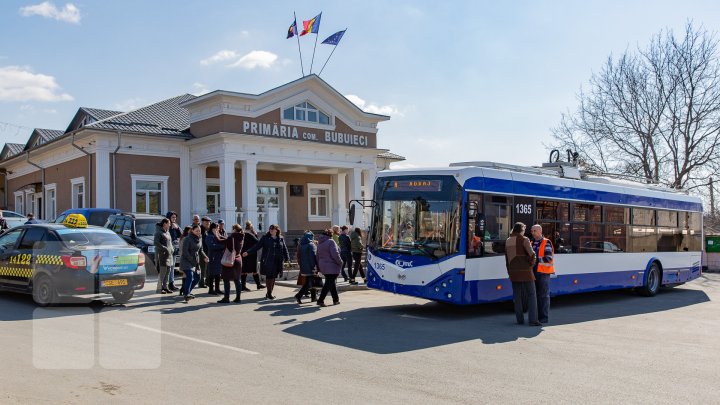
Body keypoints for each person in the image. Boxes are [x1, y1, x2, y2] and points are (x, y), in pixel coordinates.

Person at [505, 222, 540, 326]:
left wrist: (510, 272)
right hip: (526, 272)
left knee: (517, 296)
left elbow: (506, 260)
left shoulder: (508, 240)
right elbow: (532, 254)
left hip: (513, 272)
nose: (525, 231)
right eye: (524, 229)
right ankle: (533, 320)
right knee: (532, 295)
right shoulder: (524, 239)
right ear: (521, 230)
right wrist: (531, 265)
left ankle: (519, 320)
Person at [242, 224, 289, 300]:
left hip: (277, 261)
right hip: (268, 260)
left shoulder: (280, 238)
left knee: (273, 276)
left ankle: (269, 292)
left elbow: (284, 249)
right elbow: (257, 246)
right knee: (269, 276)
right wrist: (248, 252)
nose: (271, 230)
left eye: (272, 229)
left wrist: (287, 258)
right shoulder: (265, 238)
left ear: (276, 230)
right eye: (270, 229)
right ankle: (269, 293)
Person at [531, 224, 555, 324]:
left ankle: (544, 318)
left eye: (534, 231)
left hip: (543, 273)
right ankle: (536, 317)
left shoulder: (546, 242)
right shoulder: (531, 242)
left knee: (543, 296)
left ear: (540, 231)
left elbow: (548, 258)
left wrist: (535, 260)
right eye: (532, 231)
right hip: (534, 272)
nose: (532, 232)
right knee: (535, 295)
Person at [179, 224, 208, 303]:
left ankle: (187, 291)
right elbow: (185, 252)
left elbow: (201, 250)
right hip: (186, 260)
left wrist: (205, 256)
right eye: (197, 231)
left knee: (197, 277)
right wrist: (191, 260)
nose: (198, 232)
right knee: (190, 275)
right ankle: (187, 294)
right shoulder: (187, 239)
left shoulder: (200, 238)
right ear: (192, 231)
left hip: (195, 261)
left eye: (199, 231)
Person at [316, 229, 343, 307]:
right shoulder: (331, 242)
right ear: (330, 235)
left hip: (323, 265)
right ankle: (320, 300)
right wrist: (340, 262)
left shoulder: (320, 243)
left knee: (331, 282)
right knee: (328, 283)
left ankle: (336, 300)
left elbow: (317, 256)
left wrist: (319, 266)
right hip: (332, 265)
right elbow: (335, 254)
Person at [218, 224, 244, 304]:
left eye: (232, 228)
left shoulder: (231, 238)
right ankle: (238, 298)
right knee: (237, 280)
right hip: (238, 259)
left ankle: (226, 298)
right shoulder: (241, 237)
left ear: (234, 229)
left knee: (226, 279)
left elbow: (220, 241)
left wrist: (216, 234)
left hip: (230, 260)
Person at [294, 231, 318, 304]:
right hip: (311, 266)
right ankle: (299, 295)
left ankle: (313, 297)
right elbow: (314, 257)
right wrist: (316, 267)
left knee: (311, 281)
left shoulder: (301, 245)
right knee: (308, 283)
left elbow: (299, 256)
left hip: (304, 267)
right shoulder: (311, 245)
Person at [241, 220, 265, 291]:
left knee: (245, 270)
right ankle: (257, 285)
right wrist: (256, 234)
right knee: (253, 270)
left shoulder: (243, 233)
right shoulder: (250, 234)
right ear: (251, 227)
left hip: (245, 253)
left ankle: (245, 285)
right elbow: (258, 242)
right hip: (251, 254)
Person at [153, 218, 174, 294]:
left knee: (168, 272)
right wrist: (164, 248)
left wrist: (172, 249)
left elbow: (170, 242)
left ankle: (165, 287)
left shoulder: (167, 232)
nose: (170, 225)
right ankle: (159, 288)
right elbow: (156, 243)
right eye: (169, 223)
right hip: (162, 255)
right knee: (163, 272)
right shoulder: (158, 233)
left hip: (169, 255)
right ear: (164, 224)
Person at [205, 222, 226, 295]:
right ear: (213, 229)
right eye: (217, 228)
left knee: (218, 274)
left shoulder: (217, 235)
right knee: (212, 274)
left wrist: (219, 235)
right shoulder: (209, 236)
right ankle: (211, 290)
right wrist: (222, 247)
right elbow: (211, 246)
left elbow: (225, 240)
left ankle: (217, 289)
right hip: (212, 257)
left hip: (219, 256)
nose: (218, 230)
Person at [166, 211, 182, 291]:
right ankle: (167, 284)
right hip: (168, 250)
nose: (174, 219)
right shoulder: (166, 226)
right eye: (173, 217)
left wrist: (177, 228)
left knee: (172, 267)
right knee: (168, 268)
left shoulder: (176, 225)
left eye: (175, 217)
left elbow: (181, 235)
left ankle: (172, 283)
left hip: (175, 249)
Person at [198, 216, 211, 288]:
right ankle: (201, 283)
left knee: (207, 268)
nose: (208, 223)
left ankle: (207, 281)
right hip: (201, 252)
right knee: (203, 268)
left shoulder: (206, 230)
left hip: (206, 251)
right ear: (203, 222)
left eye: (209, 222)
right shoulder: (200, 230)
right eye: (207, 222)